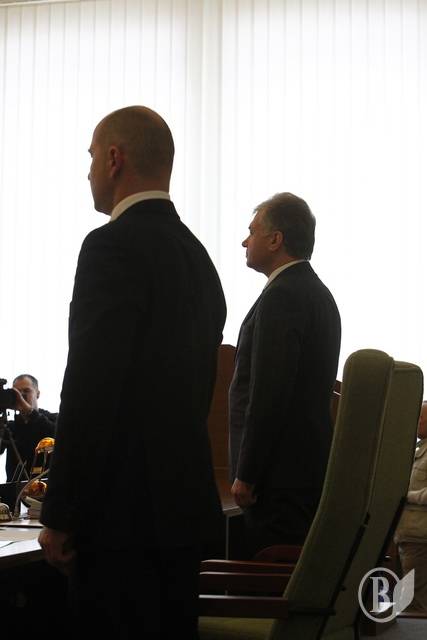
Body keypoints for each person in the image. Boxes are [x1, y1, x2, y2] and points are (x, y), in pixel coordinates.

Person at [37, 105, 226, 639]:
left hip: (121, 526)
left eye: (92, 156)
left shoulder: (110, 248)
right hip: (186, 517)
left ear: (115, 159)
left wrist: (61, 513)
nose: (88, 171)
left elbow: (91, 388)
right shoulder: (200, 259)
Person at [229, 192, 341, 557]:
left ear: (276, 239)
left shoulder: (283, 296)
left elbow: (269, 393)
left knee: (273, 578)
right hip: (303, 470)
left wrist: (247, 473)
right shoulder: (318, 293)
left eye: (252, 231)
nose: (244, 241)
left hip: (277, 479)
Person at [394, 401, 427, 612]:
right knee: (409, 601)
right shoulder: (418, 450)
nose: (416, 422)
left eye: (421, 417)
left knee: (413, 601)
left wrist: (406, 496)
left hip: (420, 536)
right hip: (408, 534)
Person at [0, 374, 57, 482]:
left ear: (38, 393)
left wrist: (29, 411)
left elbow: (56, 436)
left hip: (46, 488)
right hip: (15, 490)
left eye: (26, 391)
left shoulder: (53, 419)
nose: (21, 396)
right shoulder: (10, 427)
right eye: (17, 393)